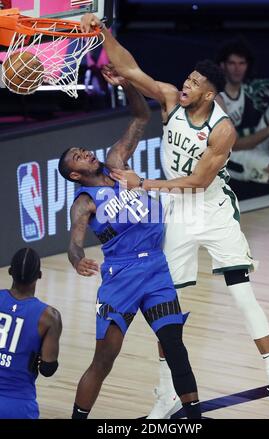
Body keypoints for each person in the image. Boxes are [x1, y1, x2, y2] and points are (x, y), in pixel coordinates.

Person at [80, 14, 269, 419]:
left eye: (194, 84)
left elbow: (196, 181)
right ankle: (167, 392)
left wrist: (145, 184)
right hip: (175, 213)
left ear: (209, 95)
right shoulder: (169, 100)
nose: (185, 86)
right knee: (167, 309)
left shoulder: (222, 130)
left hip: (211, 209)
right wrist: (101, 29)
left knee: (241, 294)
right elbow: (128, 67)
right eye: (187, 79)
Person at [58, 66, 202, 420]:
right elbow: (74, 243)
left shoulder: (117, 162)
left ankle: (194, 417)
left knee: (174, 345)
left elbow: (141, 115)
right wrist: (77, 260)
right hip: (121, 277)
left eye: (81, 149)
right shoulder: (85, 202)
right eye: (78, 156)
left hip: (155, 267)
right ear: (76, 174)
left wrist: (127, 87)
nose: (84, 152)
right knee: (104, 360)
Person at [216, 38, 269, 187]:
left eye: (242, 63)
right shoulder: (216, 99)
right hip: (230, 154)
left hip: (256, 141)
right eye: (232, 63)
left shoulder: (252, 89)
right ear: (222, 66)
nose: (237, 68)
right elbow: (231, 145)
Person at [0, 248, 62, 419]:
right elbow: (48, 369)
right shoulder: (49, 317)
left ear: (10, 271)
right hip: (18, 406)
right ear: (39, 275)